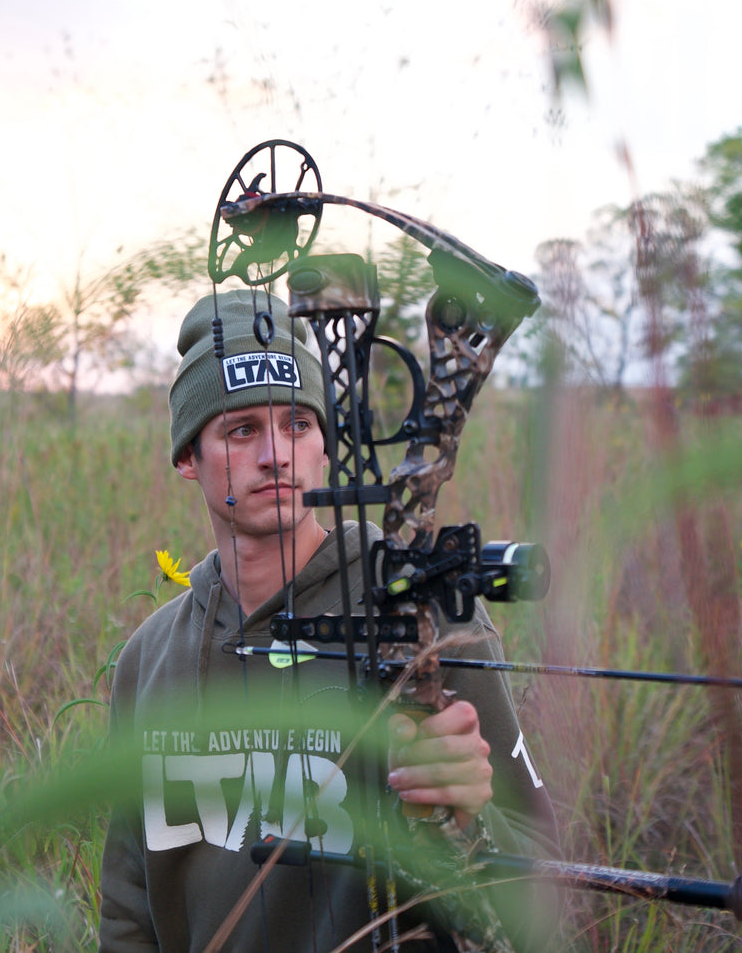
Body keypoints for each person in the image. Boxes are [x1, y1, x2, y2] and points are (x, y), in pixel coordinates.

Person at [100, 290, 553, 952]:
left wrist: (468, 812)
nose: (275, 455)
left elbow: (541, 872)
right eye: (241, 429)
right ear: (187, 458)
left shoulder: (421, 605)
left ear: (324, 445)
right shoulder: (147, 659)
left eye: (297, 425)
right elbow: (128, 901)